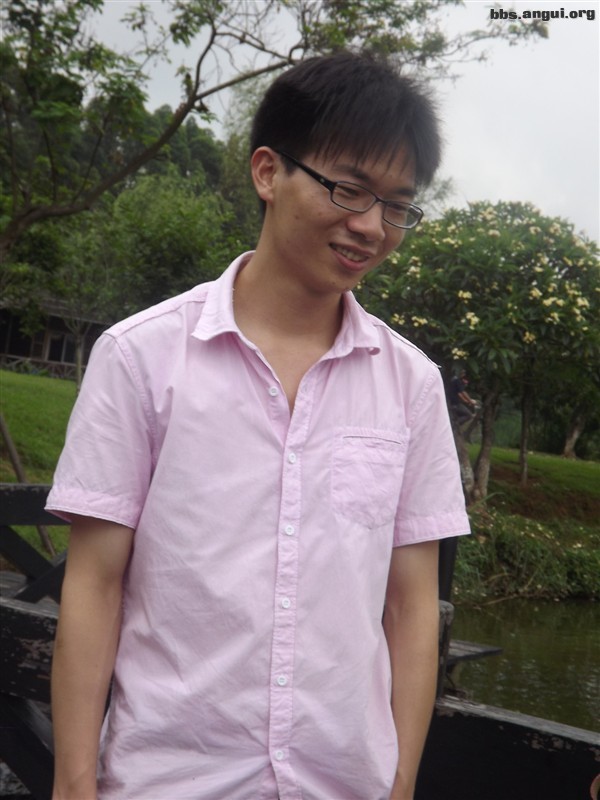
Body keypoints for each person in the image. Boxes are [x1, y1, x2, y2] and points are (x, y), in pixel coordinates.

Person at [48, 52, 470, 800]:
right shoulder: (141, 357)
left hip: (345, 784)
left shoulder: (412, 386)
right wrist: (74, 784)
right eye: (349, 190)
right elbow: (95, 582)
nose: (371, 227)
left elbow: (411, 607)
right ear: (269, 172)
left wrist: (400, 782)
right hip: (168, 781)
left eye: (397, 205)